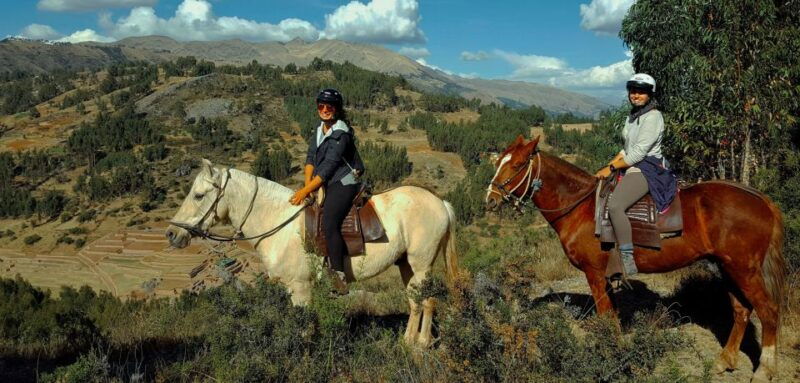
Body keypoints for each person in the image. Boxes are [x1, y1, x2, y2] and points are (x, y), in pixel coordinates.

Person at [595, 73, 676, 278]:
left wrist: (613, 169)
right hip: (631, 163)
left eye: (641, 92)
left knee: (615, 205)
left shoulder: (654, 117)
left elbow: (639, 153)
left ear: (650, 94)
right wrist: (608, 166)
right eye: (633, 91)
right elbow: (625, 150)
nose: (636, 95)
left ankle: (627, 255)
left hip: (646, 168)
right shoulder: (632, 117)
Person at [289, 88, 365, 295]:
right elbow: (311, 159)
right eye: (320, 106)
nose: (324, 109)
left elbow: (328, 167)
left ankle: (338, 275)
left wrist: (305, 191)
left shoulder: (341, 134)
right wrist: (308, 186)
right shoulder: (319, 129)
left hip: (345, 180)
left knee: (329, 221)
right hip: (324, 180)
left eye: (329, 106)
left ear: (337, 109)